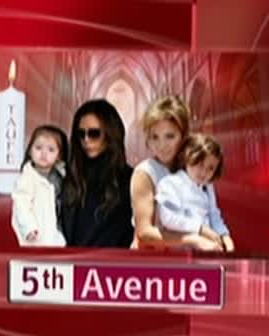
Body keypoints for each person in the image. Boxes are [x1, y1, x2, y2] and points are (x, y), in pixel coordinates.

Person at [60, 99, 134, 247]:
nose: (86, 140)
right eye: (81, 134)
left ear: (110, 134)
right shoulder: (68, 176)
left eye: (94, 133)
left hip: (112, 261)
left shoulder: (130, 180)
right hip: (69, 259)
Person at [156, 133, 235, 252]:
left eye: (210, 168)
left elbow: (214, 215)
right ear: (187, 158)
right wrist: (200, 229)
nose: (204, 172)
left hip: (207, 249)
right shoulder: (169, 183)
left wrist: (225, 236)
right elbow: (168, 217)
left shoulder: (207, 187)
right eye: (200, 164)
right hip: (180, 252)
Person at [130, 95, 190, 249]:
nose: (161, 145)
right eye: (155, 137)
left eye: (169, 136)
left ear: (183, 136)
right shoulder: (145, 173)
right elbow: (144, 233)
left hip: (186, 257)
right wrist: (194, 239)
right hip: (152, 260)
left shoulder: (193, 170)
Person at [11, 124, 68, 247]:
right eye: (38, 148)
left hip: (55, 233)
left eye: (51, 150)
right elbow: (21, 204)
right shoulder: (27, 177)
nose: (43, 153)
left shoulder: (60, 176)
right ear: (30, 150)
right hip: (36, 234)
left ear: (58, 156)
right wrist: (28, 227)